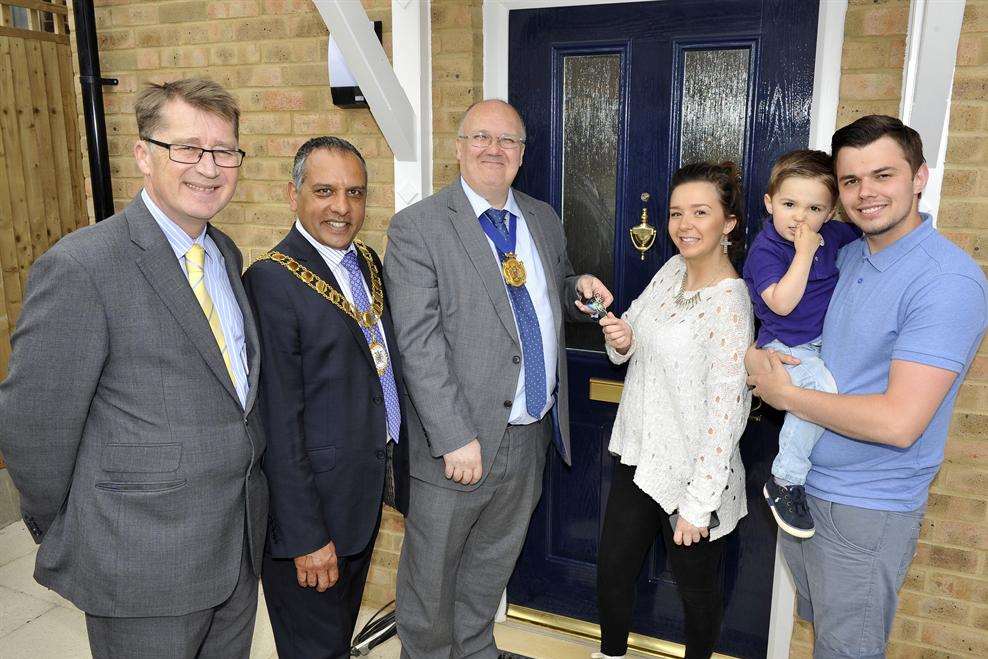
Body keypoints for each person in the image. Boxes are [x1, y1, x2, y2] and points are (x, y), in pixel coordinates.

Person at [0, 78, 267, 658]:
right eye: (187, 148)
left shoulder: (224, 252)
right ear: (144, 154)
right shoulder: (82, 267)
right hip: (141, 560)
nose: (209, 166)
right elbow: (33, 426)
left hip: (234, 549)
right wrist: (74, 530)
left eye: (224, 151)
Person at [748, 115, 988, 659]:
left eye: (883, 174)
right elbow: (785, 324)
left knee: (847, 650)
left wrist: (782, 394)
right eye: (851, 180)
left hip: (865, 507)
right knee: (825, 638)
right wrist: (757, 355)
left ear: (920, 177)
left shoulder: (945, 281)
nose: (866, 193)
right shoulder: (848, 253)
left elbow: (900, 424)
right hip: (806, 490)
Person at [385, 99, 613, 658]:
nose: (494, 149)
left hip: (529, 431)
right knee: (431, 580)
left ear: (522, 154)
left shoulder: (540, 217)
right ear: (458, 147)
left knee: (490, 566)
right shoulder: (418, 227)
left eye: (508, 140)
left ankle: (475, 650)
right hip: (459, 442)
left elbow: (546, 289)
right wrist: (453, 436)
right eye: (481, 137)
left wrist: (576, 287)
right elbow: (418, 342)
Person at [243, 136, 409, 658]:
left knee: (335, 641)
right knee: (312, 648)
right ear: (293, 196)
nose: (342, 207)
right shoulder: (271, 281)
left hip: (358, 500)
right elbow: (278, 424)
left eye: (355, 193)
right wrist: (306, 537)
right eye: (324, 191)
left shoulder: (365, 261)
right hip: (311, 519)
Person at [593, 162, 753, 659]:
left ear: (727, 223)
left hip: (693, 475)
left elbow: (727, 412)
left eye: (700, 212)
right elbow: (633, 340)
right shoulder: (669, 271)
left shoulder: (731, 302)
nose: (684, 224)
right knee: (613, 572)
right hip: (639, 455)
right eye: (676, 213)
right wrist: (620, 337)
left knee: (696, 595)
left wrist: (699, 503)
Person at [742, 150, 860, 538]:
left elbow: (868, 239)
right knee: (821, 391)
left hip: (824, 342)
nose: (800, 217)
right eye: (789, 204)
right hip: (785, 343)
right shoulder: (767, 250)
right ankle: (785, 480)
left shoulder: (835, 234)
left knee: (835, 389)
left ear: (830, 213)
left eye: (814, 208)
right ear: (769, 203)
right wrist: (806, 253)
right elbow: (781, 302)